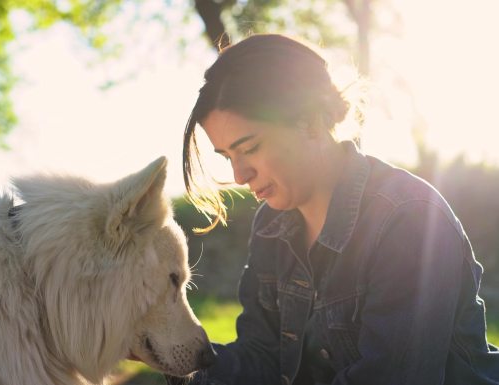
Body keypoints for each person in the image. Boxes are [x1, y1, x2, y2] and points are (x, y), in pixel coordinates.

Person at [167, 33, 499, 385]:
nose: (239, 175)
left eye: (250, 148)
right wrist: (170, 353)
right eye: (228, 157)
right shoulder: (272, 223)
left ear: (309, 121)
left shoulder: (408, 220)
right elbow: (263, 359)